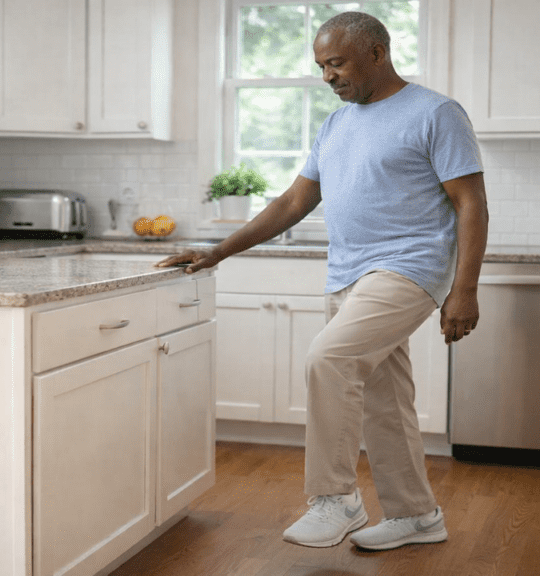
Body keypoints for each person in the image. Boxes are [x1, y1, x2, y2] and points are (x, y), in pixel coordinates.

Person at [155, 11, 488, 551]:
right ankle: (417, 515)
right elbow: (293, 201)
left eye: (336, 63)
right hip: (347, 273)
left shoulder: (435, 113)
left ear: (376, 54)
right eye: (321, 67)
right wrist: (218, 251)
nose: (328, 76)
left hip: (409, 266)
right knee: (384, 396)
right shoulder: (335, 124)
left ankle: (335, 498)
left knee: (329, 359)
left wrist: (465, 289)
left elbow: (470, 201)